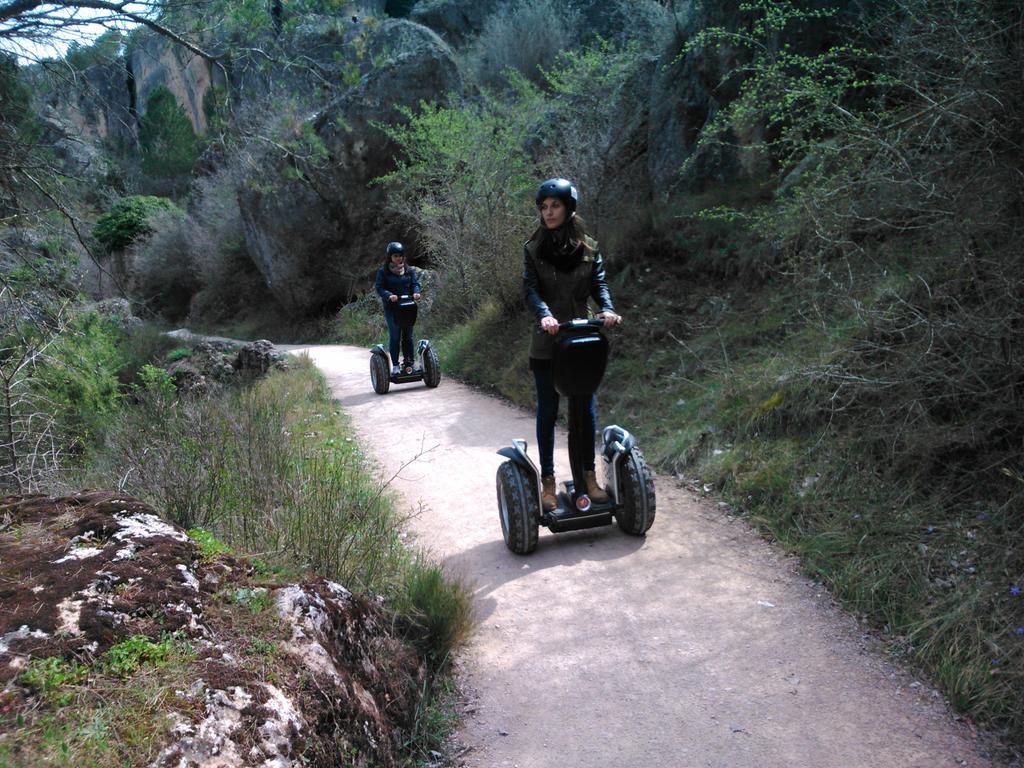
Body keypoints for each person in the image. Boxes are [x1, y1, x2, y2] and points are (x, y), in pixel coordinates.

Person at [523, 178, 621, 511]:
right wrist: (544, 315)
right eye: (544, 207)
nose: (548, 212)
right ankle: (548, 483)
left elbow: (600, 284)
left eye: (555, 206)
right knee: (549, 412)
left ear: (569, 208)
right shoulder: (533, 249)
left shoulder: (589, 248)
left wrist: (606, 308)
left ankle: (588, 477)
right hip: (548, 339)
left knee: (584, 410)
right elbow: (531, 290)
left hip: (581, 339)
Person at [375, 241, 422, 374]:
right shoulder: (383, 272)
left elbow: (415, 284)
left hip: (408, 307)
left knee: (408, 336)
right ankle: (395, 365)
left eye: (400, 255)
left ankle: (409, 363)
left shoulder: (409, 271)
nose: (398, 258)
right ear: (390, 256)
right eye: (395, 256)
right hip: (392, 309)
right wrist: (389, 295)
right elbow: (379, 288)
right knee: (395, 336)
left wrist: (416, 292)